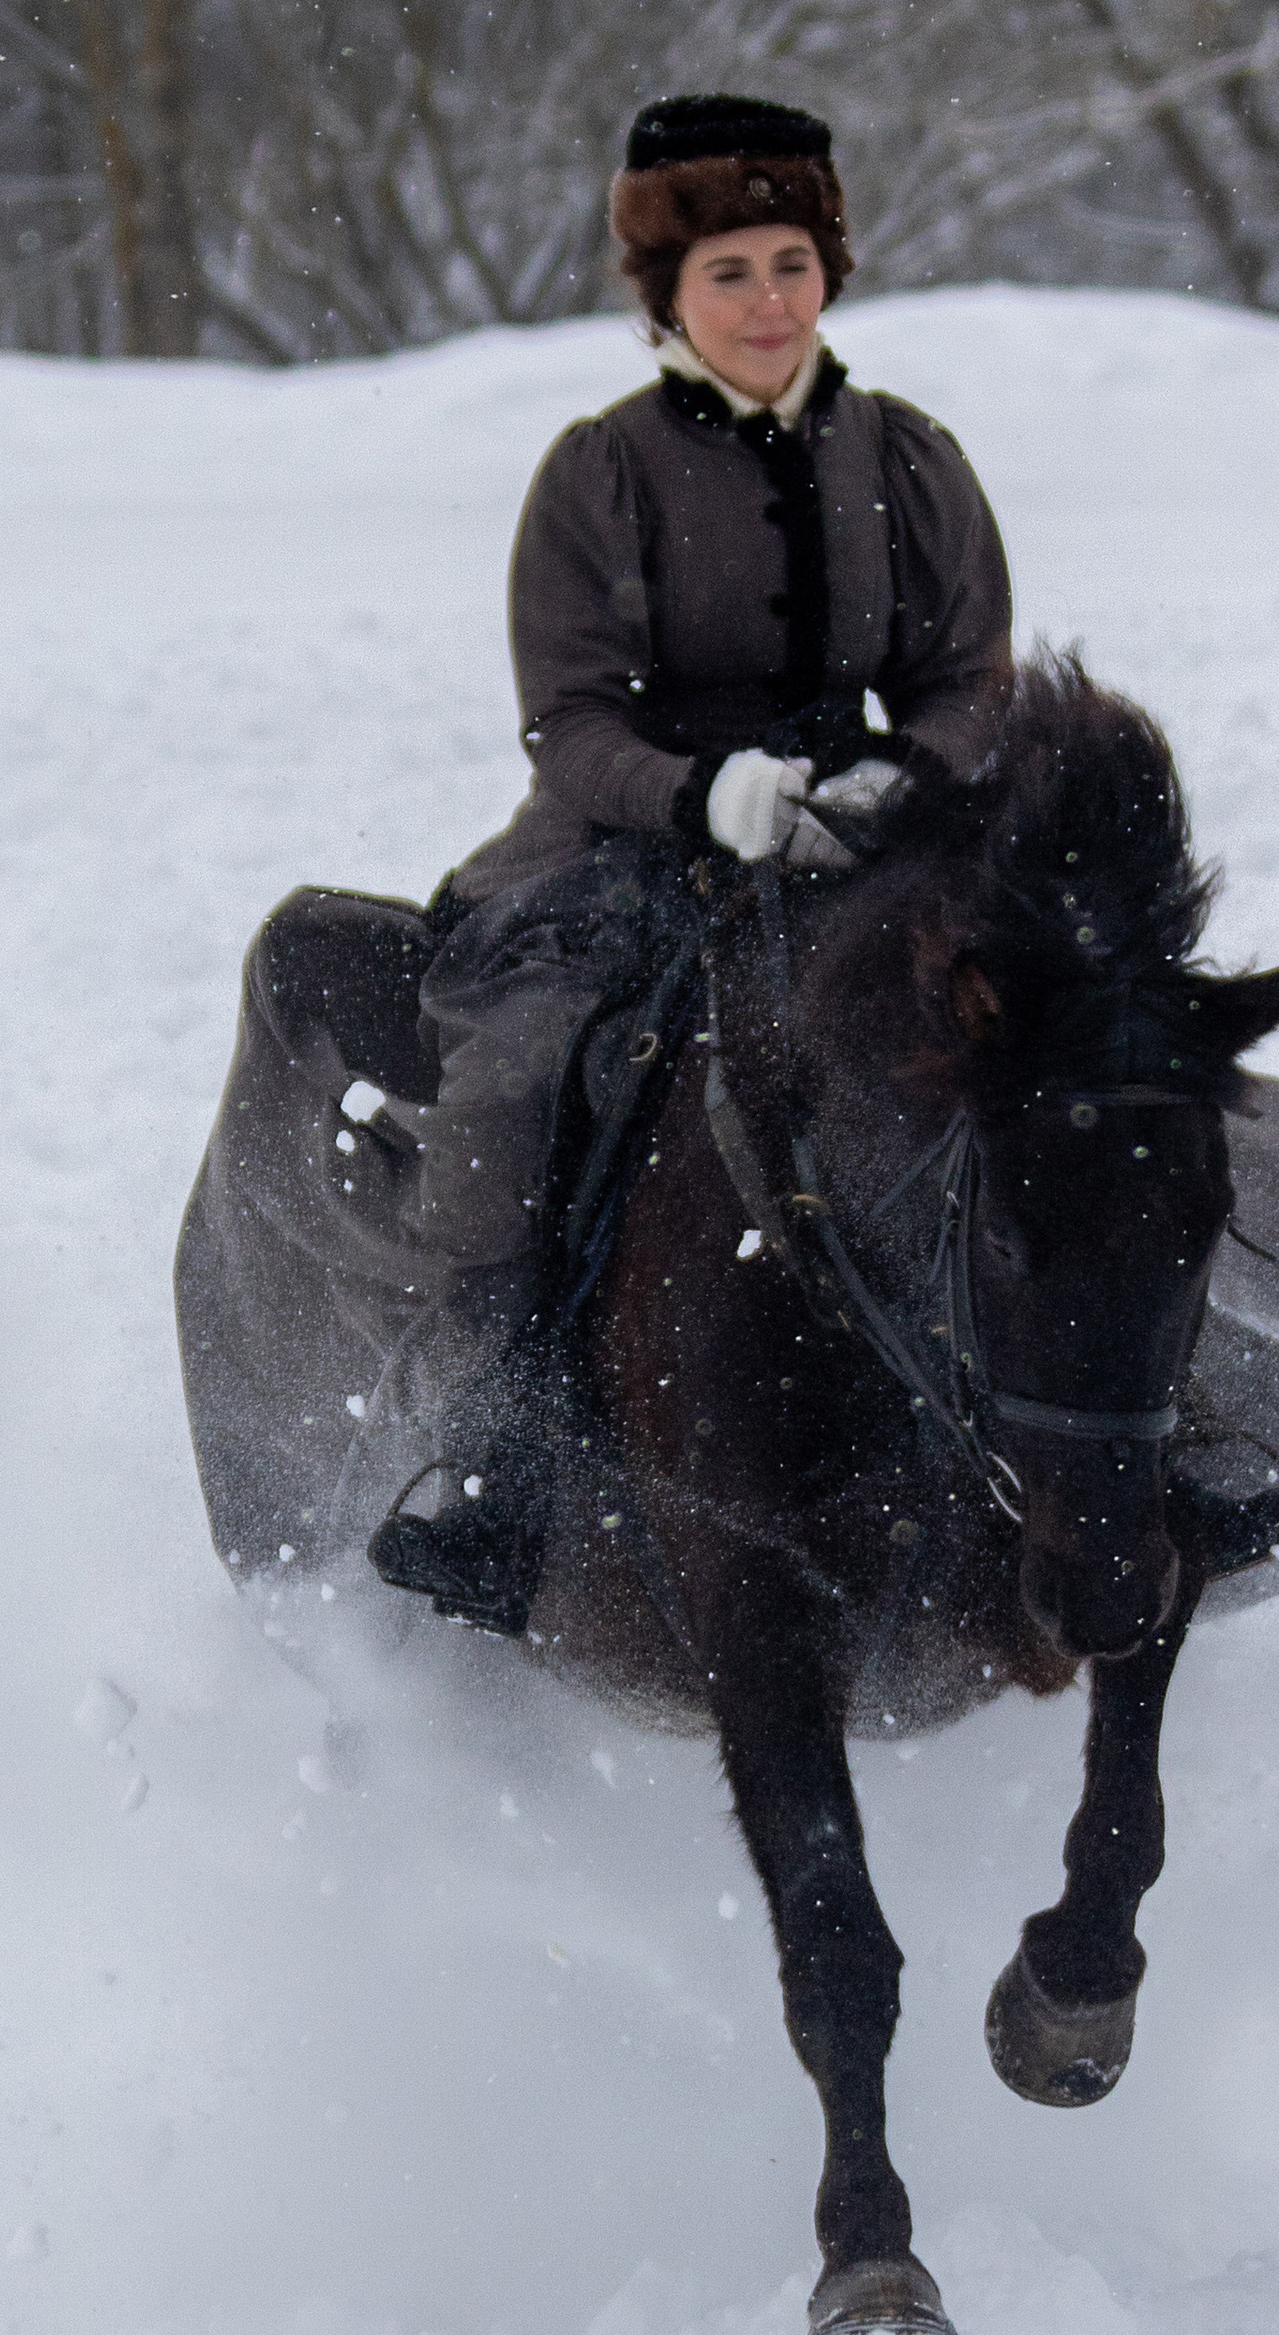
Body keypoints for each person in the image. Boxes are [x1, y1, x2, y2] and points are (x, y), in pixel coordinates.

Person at [367, 90, 1016, 1633]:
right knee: (515, 1097)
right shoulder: (599, 474)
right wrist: (701, 796)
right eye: (730, 273)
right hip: (628, 849)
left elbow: (972, 671)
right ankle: (494, 1456)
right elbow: (568, 720)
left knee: (1082, 1039)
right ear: (667, 293)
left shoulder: (910, 458)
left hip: (868, 836)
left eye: (792, 263)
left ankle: (1165, 1409)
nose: (769, 303)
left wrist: (901, 777)